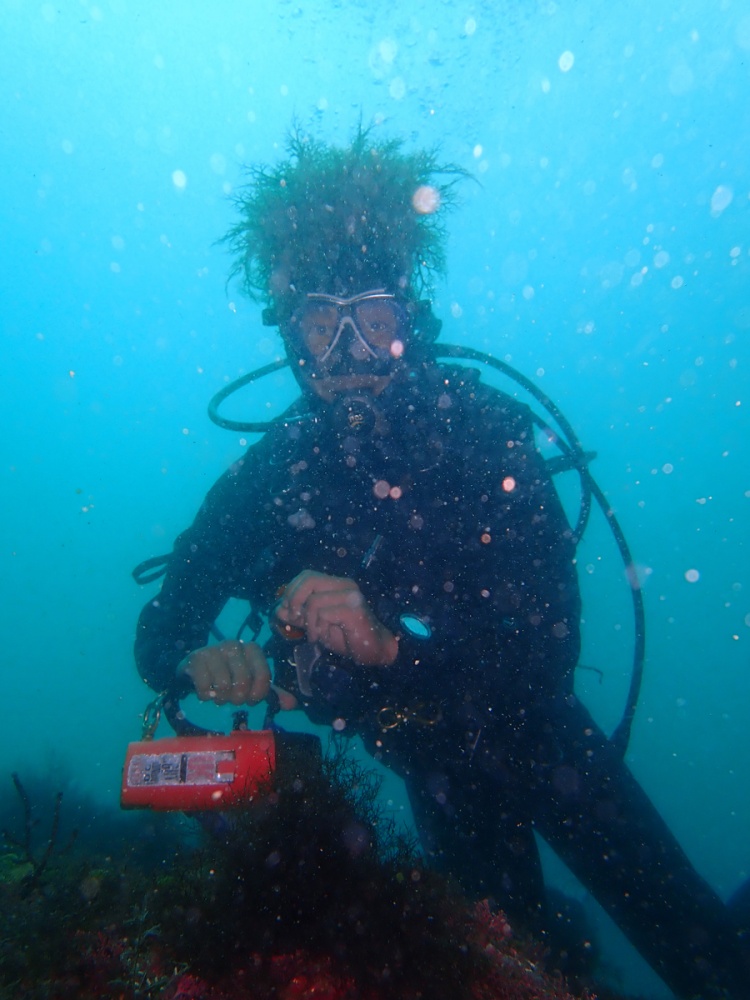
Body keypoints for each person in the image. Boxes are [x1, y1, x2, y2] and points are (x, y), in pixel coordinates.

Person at [135, 129, 750, 998]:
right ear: (292, 340)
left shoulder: (486, 432)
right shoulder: (275, 474)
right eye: (320, 323)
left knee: (708, 961)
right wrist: (199, 662)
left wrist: (391, 648)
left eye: (373, 320)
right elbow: (159, 637)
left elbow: (549, 650)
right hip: (434, 773)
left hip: (546, 742)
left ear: (408, 326)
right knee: (499, 972)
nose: (347, 355)